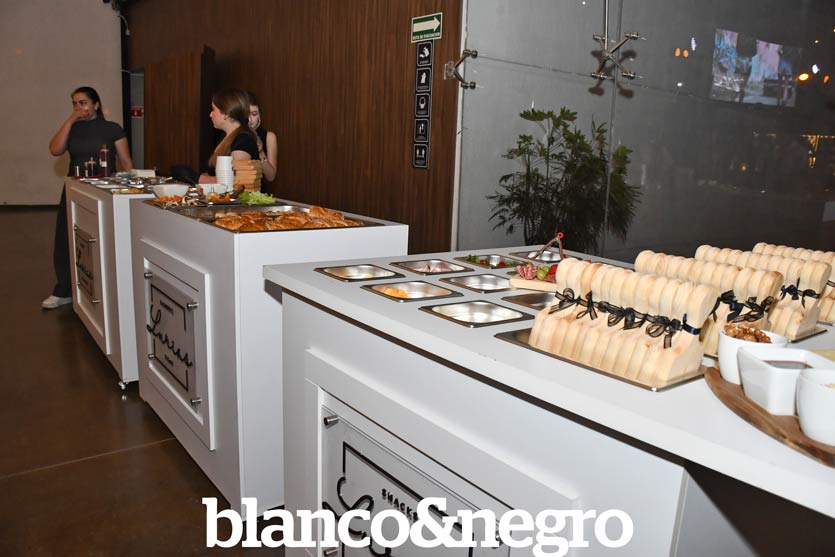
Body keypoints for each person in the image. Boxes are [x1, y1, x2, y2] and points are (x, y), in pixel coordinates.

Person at [43, 86, 133, 309]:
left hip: (103, 188)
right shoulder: (72, 128)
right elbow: (55, 150)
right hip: (75, 187)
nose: (78, 107)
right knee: (65, 237)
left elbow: (126, 162)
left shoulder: (112, 129)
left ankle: (106, 290)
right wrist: (70, 120)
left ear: (96, 104)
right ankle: (63, 290)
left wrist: (130, 187)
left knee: (100, 237)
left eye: (83, 102)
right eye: (74, 103)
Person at [199, 88, 259, 183]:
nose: (210, 114)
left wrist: (197, 178)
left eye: (213, 109)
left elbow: (234, 181)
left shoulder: (243, 141)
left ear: (226, 114)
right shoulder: (225, 137)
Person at [246, 92, 278, 182]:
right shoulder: (231, 135)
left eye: (254, 114)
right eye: (246, 114)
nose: (250, 119)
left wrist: (260, 152)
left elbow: (271, 177)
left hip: (259, 189)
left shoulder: (269, 137)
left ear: (259, 115)